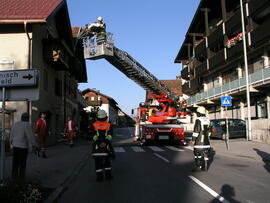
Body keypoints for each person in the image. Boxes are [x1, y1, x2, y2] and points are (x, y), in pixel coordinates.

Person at [10, 112, 37, 181]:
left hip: (15, 146)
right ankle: (21, 179)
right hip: (22, 147)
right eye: (28, 118)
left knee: (15, 163)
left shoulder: (16, 124)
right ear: (27, 118)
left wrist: (11, 142)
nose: (28, 119)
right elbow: (30, 136)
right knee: (22, 164)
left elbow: (11, 134)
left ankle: (13, 177)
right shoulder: (26, 125)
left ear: (21, 118)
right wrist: (35, 145)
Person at [92, 109, 115, 182]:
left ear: (97, 117)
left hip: (97, 149)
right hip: (106, 149)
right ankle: (108, 176)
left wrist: (99, 143)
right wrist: (105, 142)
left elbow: (93, 136)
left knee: (98, 165)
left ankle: (99, 178)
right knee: (107, 164)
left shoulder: (94, 125)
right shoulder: (108, 125)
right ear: (105, 117)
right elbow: (110, 136)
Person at [192, 106, 211, 172]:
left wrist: (193, 139)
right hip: (207, 142)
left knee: (197, 154)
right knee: (206, 154)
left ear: (199, 113)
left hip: (199, 142)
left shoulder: (198, 120)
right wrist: (208, 138)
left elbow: (196, 131)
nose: (197, 114)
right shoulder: (208, 120)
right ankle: (205, 167)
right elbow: (209, 131)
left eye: (197, 113)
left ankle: (198, 166)